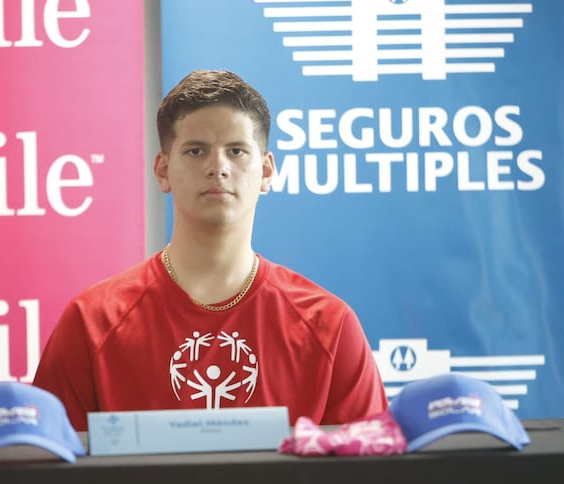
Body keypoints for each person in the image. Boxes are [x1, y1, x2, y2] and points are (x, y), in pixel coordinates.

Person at [34, 70, 387, 431]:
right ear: (163, 170)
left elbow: (366, 477)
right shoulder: (92, 323)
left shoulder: (330, 326)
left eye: (236, 151)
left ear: (266, 171)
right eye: (196, 150)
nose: (217, 168)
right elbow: (54, 478)